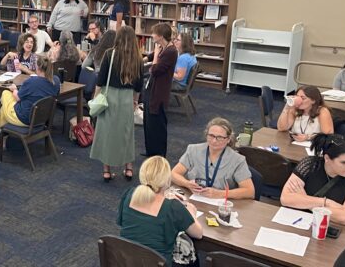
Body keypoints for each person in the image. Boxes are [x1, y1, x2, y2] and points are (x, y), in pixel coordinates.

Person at [117, 156, 202, 266]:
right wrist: (192, 212)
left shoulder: (129, 194)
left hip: (127, 260)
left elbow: (123, 224)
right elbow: (198, 234)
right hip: (157, 262)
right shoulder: (173, 207)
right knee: (192, 258)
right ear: (167, 180)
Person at [90, 26, 142, 181]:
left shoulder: (109, 54)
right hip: (127, 98)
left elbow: (100, 81)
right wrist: (135, 101)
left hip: (109, 97)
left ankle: (107, 170)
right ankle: (128, 168)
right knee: (126, 134)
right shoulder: (137, 58)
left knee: (107, 133)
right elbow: (138, 85)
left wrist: (95, 98)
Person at [171, 117, 255, 199]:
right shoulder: (193, 150)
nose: (214, 141)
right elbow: (173, 174)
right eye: (211, 135)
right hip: (196, 199)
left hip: (222, 204)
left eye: (220, 137)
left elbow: (249, 191)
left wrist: (220, 193)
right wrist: (187, 184)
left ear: (228, 139)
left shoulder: (237, 160)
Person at [280, 133, 345, 225]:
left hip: (334, 230)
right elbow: (285, 198)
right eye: (344, 162)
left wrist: (306, 201)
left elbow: (344, 217)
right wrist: (326, 202)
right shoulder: (310, 165)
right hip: (304, 223)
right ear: (327, 158)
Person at [143, 22, 178, 157]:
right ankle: (150, 150)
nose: (152, 35)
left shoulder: (171, 51)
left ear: (160, 36)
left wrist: (156, 55)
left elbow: (155, 70)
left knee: (158, 123)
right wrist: (143, 59)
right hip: (151, 88)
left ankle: (159, 153)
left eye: (154, 33)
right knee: (149, 121)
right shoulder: (162, 47)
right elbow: (150, 57)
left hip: (159, 92)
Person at [0, 56, 60, 128]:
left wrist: (14, 89)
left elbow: (18, 98)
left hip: (24, 119)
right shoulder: (56, 81)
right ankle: (3, 130)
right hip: (42, 118)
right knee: (7, 106)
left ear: (38, 67)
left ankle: (1, 130)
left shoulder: (32, 81)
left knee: (5, 94)